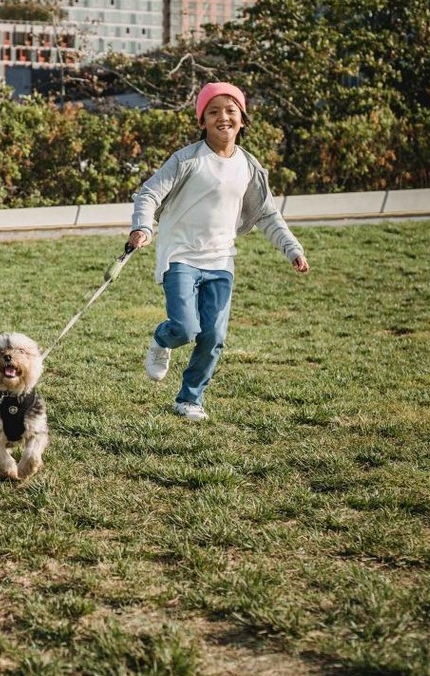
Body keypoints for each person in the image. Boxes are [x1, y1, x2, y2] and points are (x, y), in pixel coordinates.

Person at [126, 82, 309, 422]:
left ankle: (189, 399)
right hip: (180, 256)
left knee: (213, 336)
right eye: (213, 112)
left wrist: (292, 249)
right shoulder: (186, 159)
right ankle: (162, 339)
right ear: (202, 121)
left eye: (230, 110)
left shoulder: (249, 167)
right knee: (185, 328)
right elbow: (149, 194)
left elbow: (267, 214)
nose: (222, 117)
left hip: (221, 261)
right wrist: (142, 227)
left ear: (242, 119)